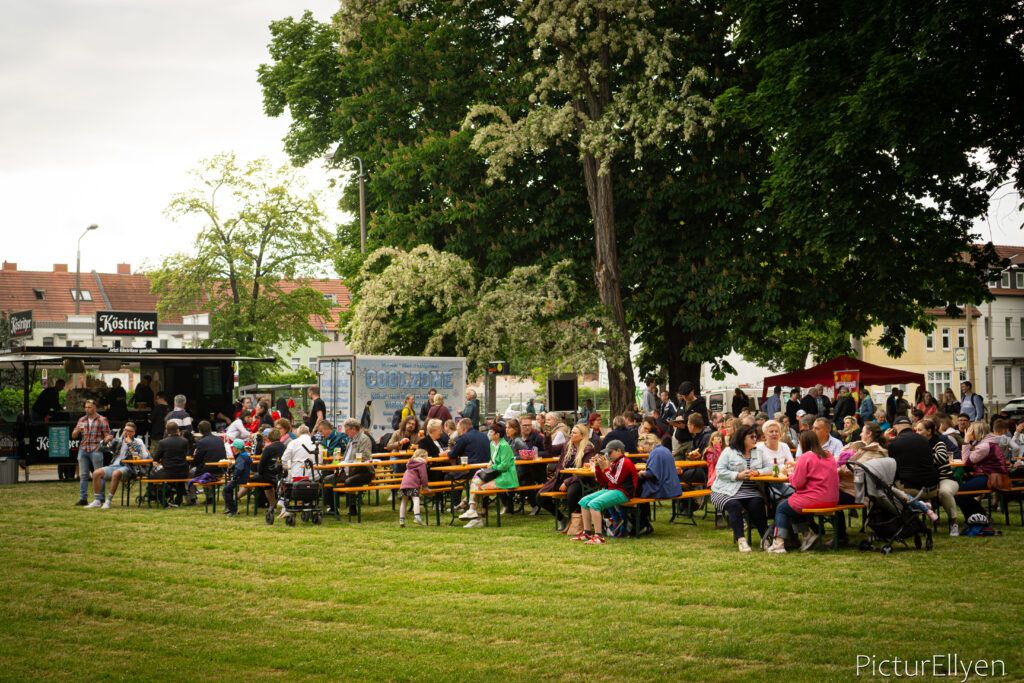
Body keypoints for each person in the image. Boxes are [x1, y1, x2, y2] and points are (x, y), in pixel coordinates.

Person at [765, 430, 840, 553]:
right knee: (791, 504)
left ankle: (779, 543)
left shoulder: (805, 457)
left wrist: (788, 474)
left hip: (814, 498)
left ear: (802, 443)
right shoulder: (828, 455)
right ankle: (806, 536)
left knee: (782, 508)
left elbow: (797, 483)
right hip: (832, 498)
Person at [711, 424, 771, 552]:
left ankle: (765, 538)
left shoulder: (759, 452)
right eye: (752, 437)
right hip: (725, 490)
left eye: (756, 436)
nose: (755, 439)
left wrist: (758, 472)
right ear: (742, 438)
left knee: (758, 503)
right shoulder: (729, 451)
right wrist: (737, 475)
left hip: (751, 490)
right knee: (734, 505)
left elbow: (770, 468)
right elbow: (720, 471)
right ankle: (741, 540)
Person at [572, 440, 638, 544]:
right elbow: (602, 482)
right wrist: (598, 467)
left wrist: (605, 468)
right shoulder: (615, 462)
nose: (608, 455)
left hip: (624, 493)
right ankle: (587, 533)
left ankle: (599, 536)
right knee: (583, 501)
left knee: (594, 504)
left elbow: (615, 481)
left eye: (610, 452)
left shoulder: (624, 462)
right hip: (612, 490)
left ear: (619, 451)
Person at [459, 422, 519, 527]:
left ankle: (476, 518)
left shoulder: (504, 446)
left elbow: (504, 466)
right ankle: (473, 511)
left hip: (506, 477)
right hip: (496, 474)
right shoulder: (492, 444)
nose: (489, 434)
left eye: (491, 432)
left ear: (497, 435)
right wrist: (491, 464)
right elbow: (493, 461)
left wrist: (492, 467)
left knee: (479, 488)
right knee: (475, 482)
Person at [537, 423, 595, 531]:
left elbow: (585, 471)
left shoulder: (588, 449)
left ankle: (573, 523)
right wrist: (547, 436)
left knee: (572, 493)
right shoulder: (567, 445)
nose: (571, 435)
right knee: (540, 497)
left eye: (574, 433)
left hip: (579, 479)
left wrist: (567, 482)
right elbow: (550, 450)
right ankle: (562, 519)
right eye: (571, 432)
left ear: (582, 436)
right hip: (560, 478)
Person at [85, 421, 149, 509]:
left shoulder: (138, 441)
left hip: (129, 468)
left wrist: (130, 443)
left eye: (130, 431)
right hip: (115, 465)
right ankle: (97, 501)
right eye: (125, 430)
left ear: (134, 433)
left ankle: (108, 501)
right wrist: (104, 441)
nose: (127, 432)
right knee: (96, 473)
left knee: (116, 473)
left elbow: (142, 455)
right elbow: (99, 449)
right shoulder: (118, 441)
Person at [956, 421, 1010, 520]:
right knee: (961, 493)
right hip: (990, 475)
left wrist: (966, 441)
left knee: (960, 493)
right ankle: (979, 516)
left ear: (976, 432)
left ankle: (979, 517)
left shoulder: (984, 446)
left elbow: (966, 461)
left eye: (970, 431)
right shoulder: (987, 442)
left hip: (991, 478)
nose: (968, 432)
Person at [914, 418, 959, 535]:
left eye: (919, 430)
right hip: (926, 481)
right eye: (916, 430)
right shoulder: (918, 445)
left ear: (929, 431)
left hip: (944, 478)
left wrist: (922, 459)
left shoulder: (939, 443)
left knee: (944, 492)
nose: (917, 433)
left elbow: (941, 457)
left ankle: (953, 522)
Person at [887, 416, 940, 509]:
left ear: (895, 427)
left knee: (888, 485)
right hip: (932, 488)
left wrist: (885, 439)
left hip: (912, 490)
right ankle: (924, 504)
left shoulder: (894, 443)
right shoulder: (924, 439)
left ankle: (906, 514)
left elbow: (890, 467)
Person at [72, 399, 112, 506]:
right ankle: (83, 498)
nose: (87, 409)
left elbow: (108, 434)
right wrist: (77, 431)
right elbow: (73, 435)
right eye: (85, 407)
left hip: (96, 448)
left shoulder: (102, 419)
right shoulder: (82, 420)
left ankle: (101, 498)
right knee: (83, 475)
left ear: (95, 407)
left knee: (99, 474)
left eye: (89, 407)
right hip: (83, 448)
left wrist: (107, 439)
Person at [635, 443, 681, 535]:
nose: (642, 450)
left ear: (649, 443)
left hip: (663, 489)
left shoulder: (655, 453)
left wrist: (641, 473)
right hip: (673, 488)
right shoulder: (665, 449)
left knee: (637, 492)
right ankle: (645, 522)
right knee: (641, 492)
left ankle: (642, 524)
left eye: (643, 447)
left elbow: (651, 474)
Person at [333, 418, 374, 515]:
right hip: (349, 471)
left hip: (364, 471)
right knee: (328, 479)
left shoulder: (364, 439)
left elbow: (365, 457)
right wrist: (340, 465)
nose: (345, 432)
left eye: (347, 430)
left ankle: (352, 509)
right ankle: (332, 508)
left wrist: (347, 463)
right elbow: (345, 457)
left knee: (349, 481)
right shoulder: (350, 440)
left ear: (354, 429)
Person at [151, 422, 190, 507]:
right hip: (183, 472)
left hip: (168, 472)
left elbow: (156, 458)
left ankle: (162, 500)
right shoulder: (185, 441)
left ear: (167, 431)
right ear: (177, 430)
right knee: (179, 477)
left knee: (151, 477)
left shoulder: (163, 442)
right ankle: (178, 500)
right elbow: (187, 454)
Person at [248, 427, 282, 511]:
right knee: (265, 483)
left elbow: (261, 465)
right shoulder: (284, 446)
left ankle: (235, 498)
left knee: (248, 479)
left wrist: (260, 472)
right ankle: (272, 505)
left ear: (270, 437)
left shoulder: (268, 448)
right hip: (281, 476)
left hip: (269, 476)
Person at [398, 449, 430, 526]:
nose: (427, 458)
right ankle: (417, 516)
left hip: (404, 483)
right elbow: (423, 476)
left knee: (404, 501)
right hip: (413, 483)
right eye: (427, 456)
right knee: (416, 498)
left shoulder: (410, 462)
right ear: (423, 456)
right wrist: (425, 486)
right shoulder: (421, 464)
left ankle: (401, 519)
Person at [222, 439, 251, 517]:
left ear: (237, 448)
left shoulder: (241, 457)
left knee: (225, 490)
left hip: (240, 479)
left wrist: (234, 477)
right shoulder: (244, 455)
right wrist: (233, 466)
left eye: (233, 447)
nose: (232, 448)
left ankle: (232, 509)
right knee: (228, 489)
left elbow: (240, 468)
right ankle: (231, 508)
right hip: (244, 477)